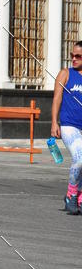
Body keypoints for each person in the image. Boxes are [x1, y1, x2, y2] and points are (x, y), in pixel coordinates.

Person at [51, 40, 82, 214]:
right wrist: (54, 122)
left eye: (78, 56)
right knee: (79, 158)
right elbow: (57, 98)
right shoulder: (65, 73)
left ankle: (80, 197)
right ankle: (71, 194)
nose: (74, 59)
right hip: (70, 125)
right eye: (72, 55)